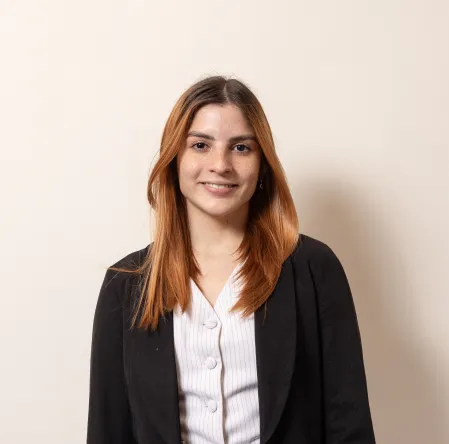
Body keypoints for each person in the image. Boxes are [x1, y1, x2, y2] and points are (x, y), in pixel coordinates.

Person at [86, 75, 376, 444]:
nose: (220, 164)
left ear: (262, 164)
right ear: (175, 160)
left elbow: (349, 424)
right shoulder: (126, 284)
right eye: (200, 145)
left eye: (240, 147)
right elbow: (108, 431)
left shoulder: (313, 270)